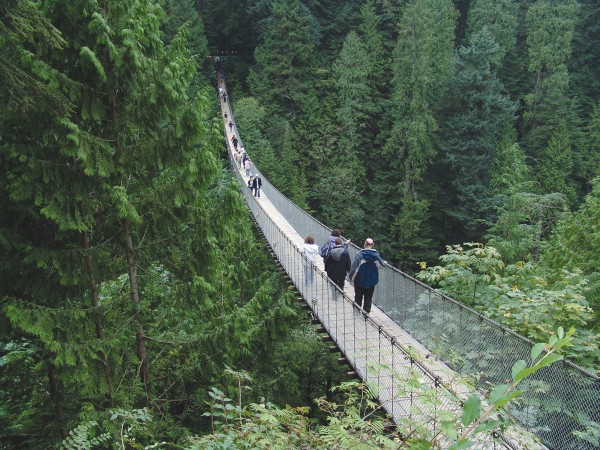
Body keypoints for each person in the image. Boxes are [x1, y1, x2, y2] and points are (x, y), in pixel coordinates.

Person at [349, 238, 386, 314]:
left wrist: (350, 278)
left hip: (359, 280)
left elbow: (354, 268)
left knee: (358, 296)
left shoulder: (360, 255)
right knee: (368, 297)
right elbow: (382, 264)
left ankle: (356, 312)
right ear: (373, 245)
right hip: (371, 281)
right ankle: (366, 315)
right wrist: (385, 262)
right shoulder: (376, 255)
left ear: (364, 244)